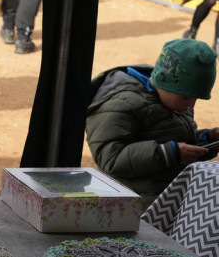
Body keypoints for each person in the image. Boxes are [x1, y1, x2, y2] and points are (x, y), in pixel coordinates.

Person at [86, 38, 219, 211]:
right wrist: (168, 153)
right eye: (187, 97)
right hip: (134, 208)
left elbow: (174, 140)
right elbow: (110, 158)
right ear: (167, 82)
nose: (191, 104)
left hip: (169, 200)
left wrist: (206, 140)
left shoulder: (176, 102)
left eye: (196, 98)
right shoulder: (123, 103)